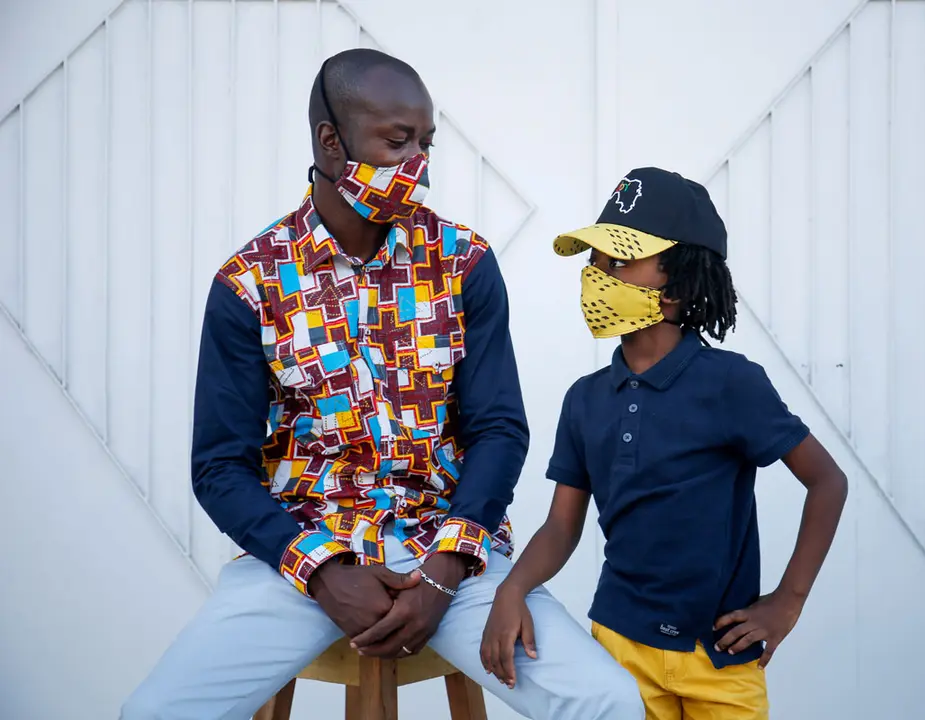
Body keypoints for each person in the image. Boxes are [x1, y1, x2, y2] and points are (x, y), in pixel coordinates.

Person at [121, 49, 643, 720]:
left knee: (608, 703)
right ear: (331, 141)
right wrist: (321, 571)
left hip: (449, 548)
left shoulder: (463, 262)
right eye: (397, 141)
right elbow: (220, 467)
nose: (417, 162)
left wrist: (444, 571)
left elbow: (498, 429)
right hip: (306, 552)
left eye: (425, 142)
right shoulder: (249, 283)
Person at [480, 167, 849, 719]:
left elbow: (826, 481)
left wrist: (788, 602)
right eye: (594, 262)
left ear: (677, 283)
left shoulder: (731, 383)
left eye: (619, 261)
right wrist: (511, 590)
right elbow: (562, 526)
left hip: (721, 659)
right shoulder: (584, 400)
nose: (597, 276)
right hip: (618, 652)